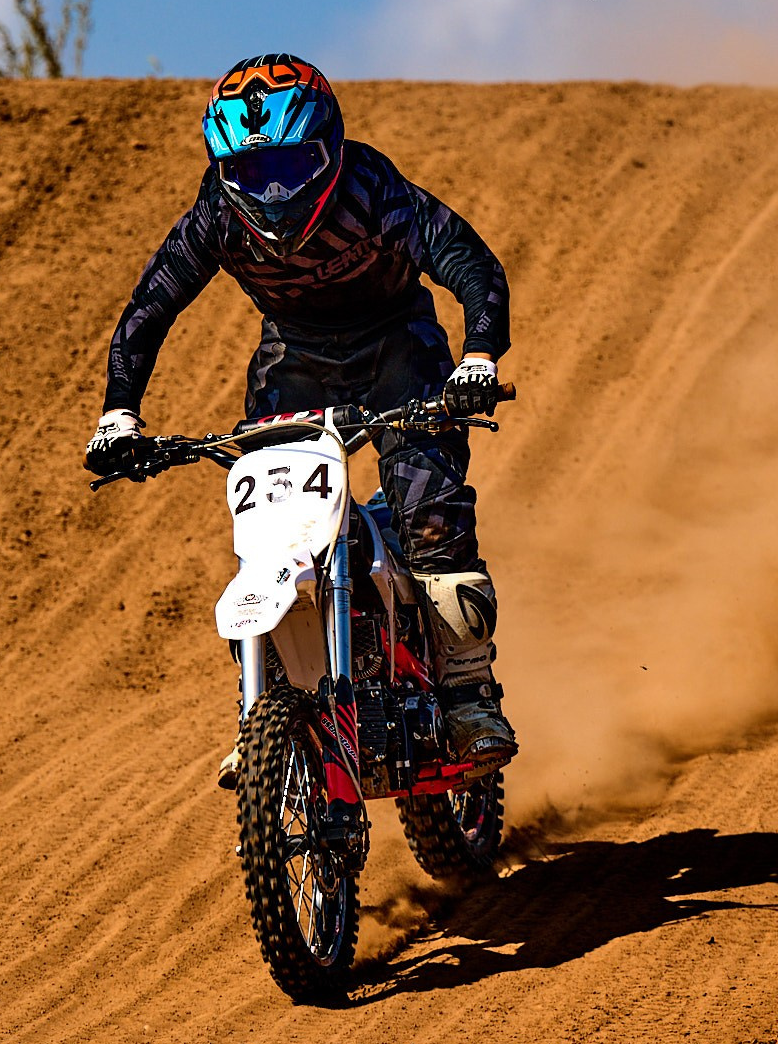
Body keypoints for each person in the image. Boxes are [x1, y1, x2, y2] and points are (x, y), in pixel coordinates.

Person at [86, 54, 516, 776]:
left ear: (333, 151)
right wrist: (119, 413)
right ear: (225, 172)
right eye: (253, 175)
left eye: (290, 168)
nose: (274, 192)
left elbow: (470, 262)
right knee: (271, 540)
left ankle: (469, 692)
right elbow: (150, 306)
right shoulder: (219, 215)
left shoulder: (374, 189)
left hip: (397, 345)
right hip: (296, 356)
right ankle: (267, 709)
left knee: (433, 513)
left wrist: (477, 358)